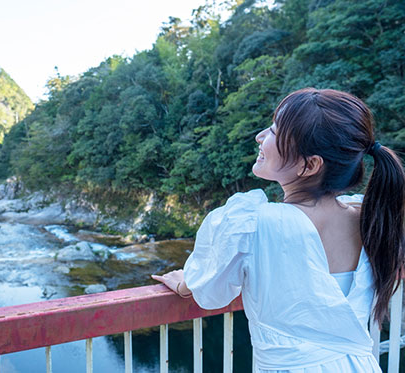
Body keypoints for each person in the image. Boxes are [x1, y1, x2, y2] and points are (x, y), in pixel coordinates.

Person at [152, 88, 405, 372]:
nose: (260, 136)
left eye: (273, 131)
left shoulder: (255, 223)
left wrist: (186, 283)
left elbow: (211, 292)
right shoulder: (370, 217)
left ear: (309, 164)